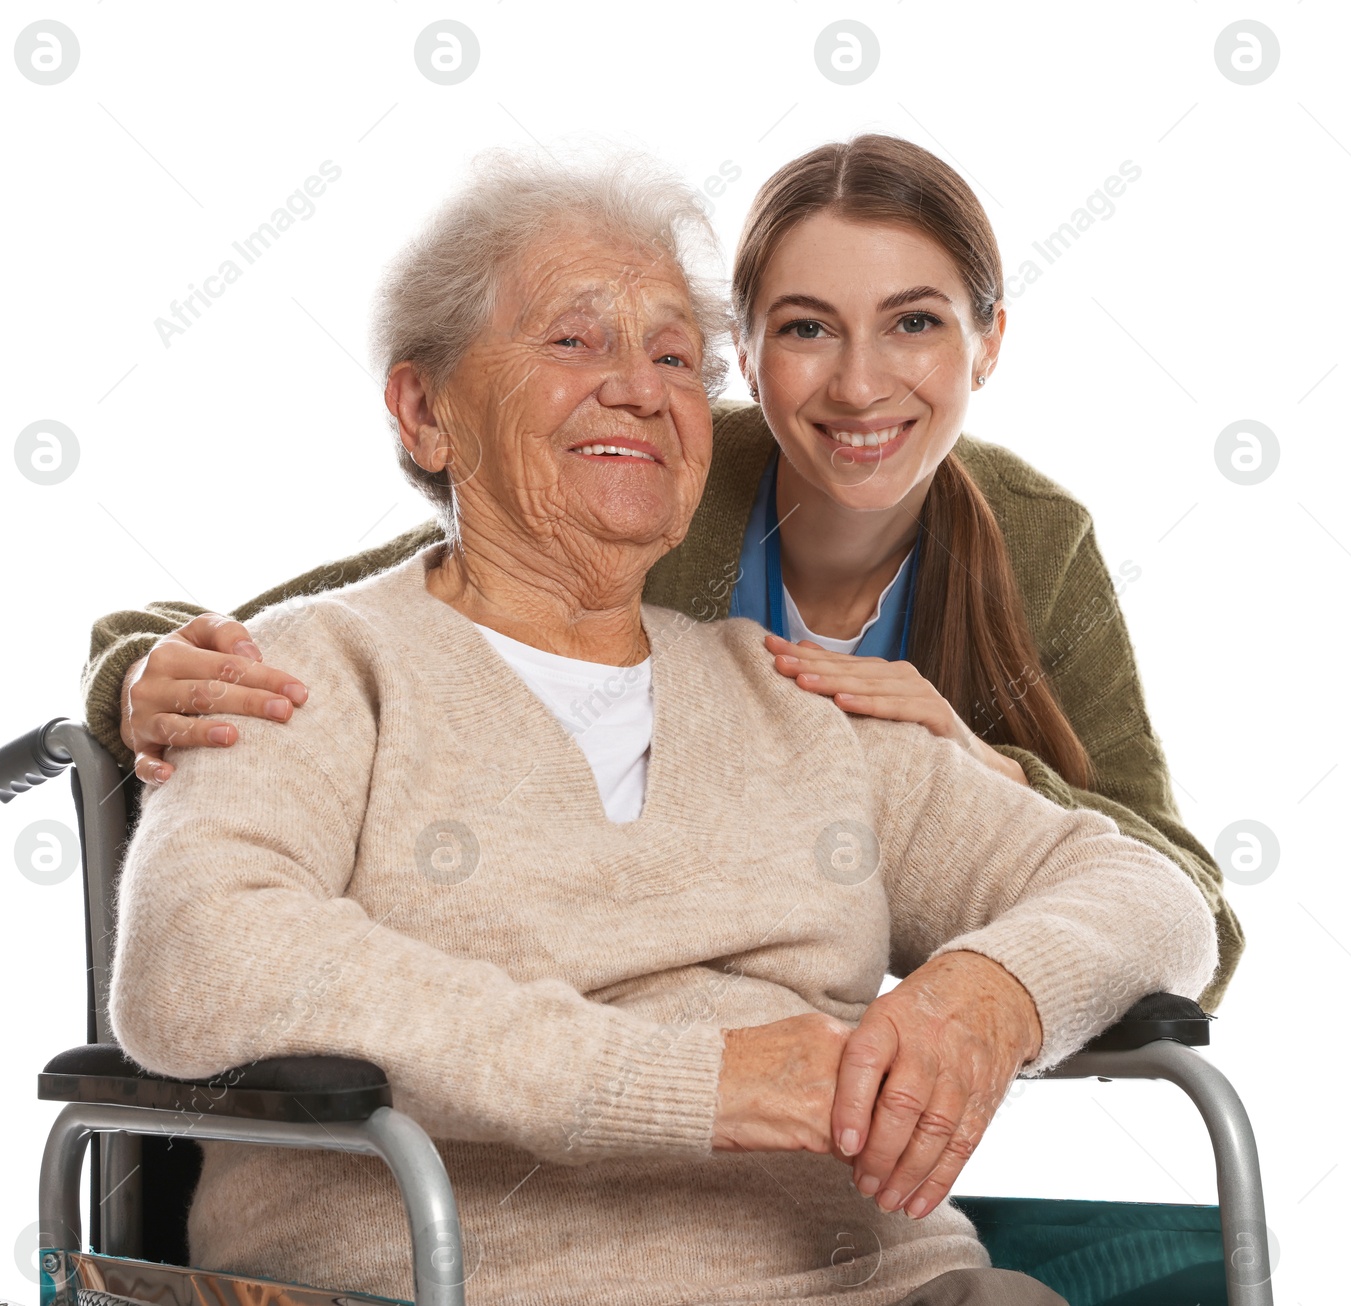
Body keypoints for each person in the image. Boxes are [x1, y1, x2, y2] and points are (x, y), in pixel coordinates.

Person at [108, 151, 1217, 1306]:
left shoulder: (799, 698)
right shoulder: (303, 676)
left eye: (672, 355)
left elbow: (1149, 889)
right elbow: (196, 958)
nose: (637, 387)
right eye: (573, 340)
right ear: (425, 410)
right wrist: (688, 1083)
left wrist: (985, 994)